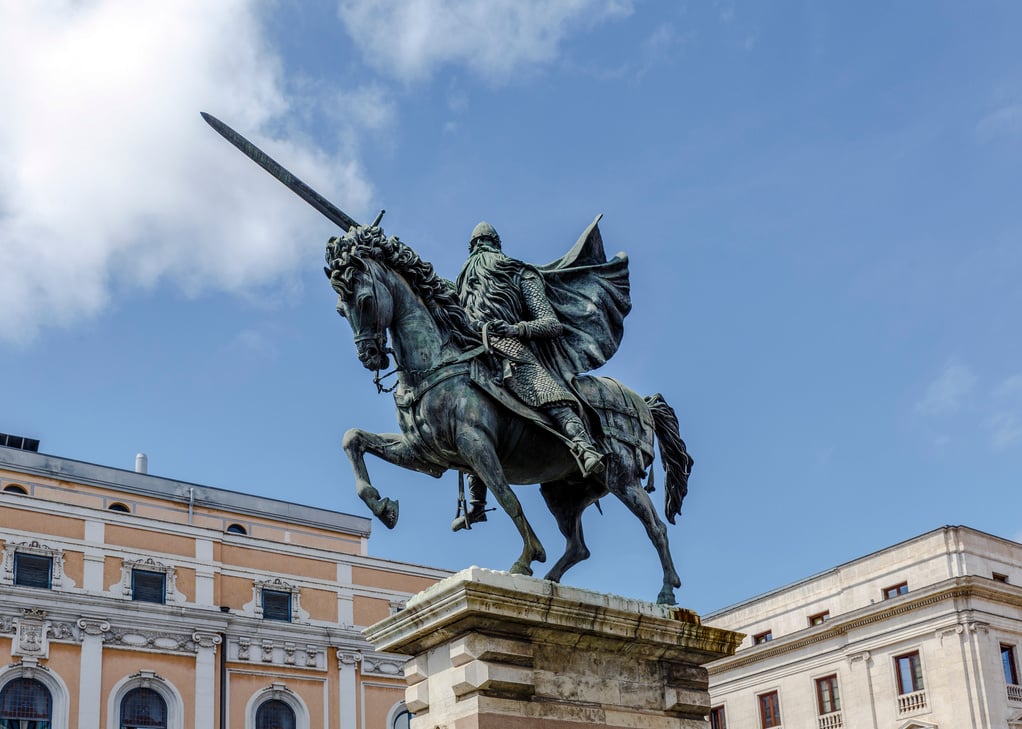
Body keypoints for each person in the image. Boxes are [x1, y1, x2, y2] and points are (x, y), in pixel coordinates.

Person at [456, 221, 606, 489]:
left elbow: (551, 324)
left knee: (545, 391)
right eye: (476, 246)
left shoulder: (522, 274)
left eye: (484, 243)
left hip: (515, 349)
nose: (481, 250)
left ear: (495, 246)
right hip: (474, 351)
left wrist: (515, 329)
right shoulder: (463, 286)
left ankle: (584, 446)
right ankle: (476, 488)